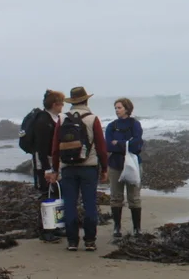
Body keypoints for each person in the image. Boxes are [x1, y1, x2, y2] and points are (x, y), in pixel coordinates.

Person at [46, 87, 109, 252]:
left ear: (71, 102)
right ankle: (89, 241)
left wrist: (55, 169)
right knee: (89, 204)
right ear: (86, 100)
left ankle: (72, 242)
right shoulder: (92, 119)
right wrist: (104, 168)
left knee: (70, 205)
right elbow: (102, 147)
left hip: (68, 169)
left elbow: (55, 148)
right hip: (89, 167)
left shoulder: (61, 118)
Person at [106, 97, 145, 239]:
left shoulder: (135, 124)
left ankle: (137, 228)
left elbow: (137, 144)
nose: (117, 110)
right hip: (115, 164)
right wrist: (126, 144)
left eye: (119, 107)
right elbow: (108, 145)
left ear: (127, 109)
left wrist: (120, 143)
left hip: (133, 164)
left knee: (134, 197)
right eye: (115, 108)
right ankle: (117, 227)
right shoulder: (111, 126)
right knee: (116, 197)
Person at [34, 90, 65, 243]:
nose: (63, 106)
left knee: (56, 194)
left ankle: (56, 226)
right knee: (46, 195)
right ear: (55, 104)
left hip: (54, 162)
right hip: (44, 164)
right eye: (61, 103)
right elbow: (41, 148)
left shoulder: (55, 118)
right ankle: (45, 230)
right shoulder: (43, 121)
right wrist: (47, 169)